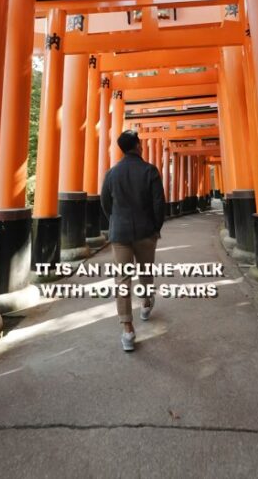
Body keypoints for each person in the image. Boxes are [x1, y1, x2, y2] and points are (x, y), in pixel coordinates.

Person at [100, 129, 167, 351]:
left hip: (120, 233)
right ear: (138, 146)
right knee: (146, 271)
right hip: (146, 231)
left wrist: (115, 222)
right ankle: (146, 303)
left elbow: (105, 203)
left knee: (122, 279)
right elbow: (159, 203)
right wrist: (156, 227)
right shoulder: (149, 171)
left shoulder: (111, 174)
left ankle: (128, 330)